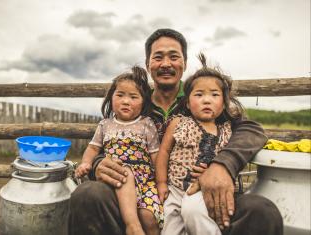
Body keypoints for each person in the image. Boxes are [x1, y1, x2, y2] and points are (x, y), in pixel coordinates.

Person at [68, 28, 283, 235]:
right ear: (148, 64)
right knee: (89, 195)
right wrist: (97, 164)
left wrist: (223, 165)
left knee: (261, 211)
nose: (166, 64)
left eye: (174, 56)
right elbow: (109, 137)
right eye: (158, 57)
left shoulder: (201, 96)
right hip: (137, 192)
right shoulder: (135, 100)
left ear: (184, 63)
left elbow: (251, 129)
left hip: (198, 191)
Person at [156, 52, 243, 235]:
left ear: (224, 103)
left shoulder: (226, 129)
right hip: (175, 187)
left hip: (202, 189)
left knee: (195, 215)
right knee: (169, 229)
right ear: (187, 103)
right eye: (199, 94)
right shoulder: (179, 123)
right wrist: (162, 182)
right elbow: (164, 152)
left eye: (214, 95)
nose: (206, 99)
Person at [75, 65, 163, 235]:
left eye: (133, 97)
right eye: (120, 95)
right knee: (125, 173)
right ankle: (133, 227)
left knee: (149, 217)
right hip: (115, 176)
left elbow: (155, 155)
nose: (125, 101)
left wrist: (161, 182)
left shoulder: (146, 124)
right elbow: (93, 148)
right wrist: (86, 163)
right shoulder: (105, 124)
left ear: (143, 101)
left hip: (145, 182)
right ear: (111, 97)